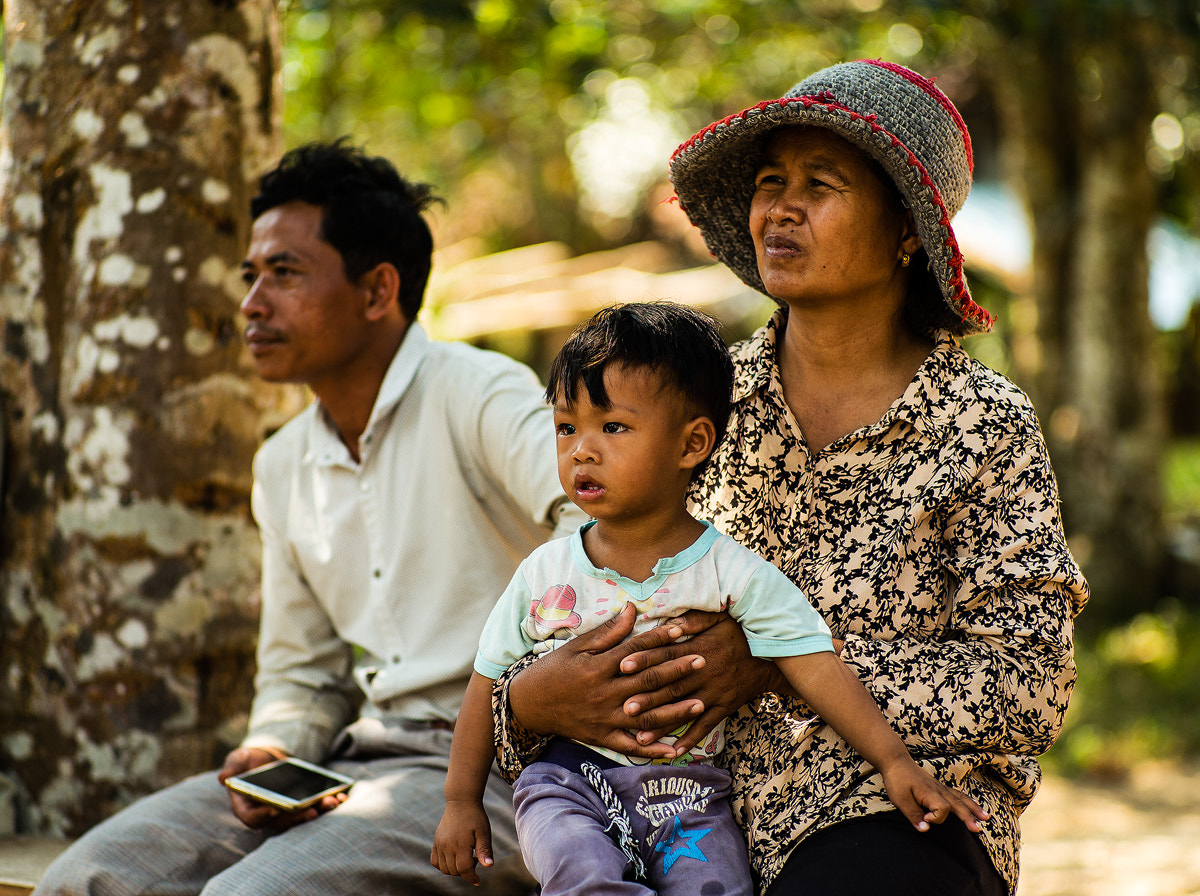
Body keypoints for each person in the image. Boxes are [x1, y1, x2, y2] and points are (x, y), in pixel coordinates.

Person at [490, 60, 1089, 896]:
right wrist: (530, 702)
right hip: (677, 809)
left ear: (906, 229)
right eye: (771, 181)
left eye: (822, 183)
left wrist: (776, 661)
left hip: (890, 810)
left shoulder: (983, 423)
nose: (781, 207)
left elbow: (1028, 682)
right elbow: (577, 591)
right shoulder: (697, 409)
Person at [35, 141, 585, 895]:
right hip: (352, 764)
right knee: (88, 879)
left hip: (507, 773)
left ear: (376, 290)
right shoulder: (283, 465)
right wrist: (273, 746)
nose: (252, 303)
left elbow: (589, 525)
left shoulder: (475, 390)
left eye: (285, 274)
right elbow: (304, 670)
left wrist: (515, 680)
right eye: (251, 275)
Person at [431, 302, 989, 895]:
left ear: (692, 443)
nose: (581, 451)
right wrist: (460, 800)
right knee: (581, 873)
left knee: (717, 887)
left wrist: (894, 761)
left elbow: (815, 666)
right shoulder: (544, 573)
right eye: (567, 427)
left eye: (612, 427)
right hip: (568, 785)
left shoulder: (732, 574)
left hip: (690, 796)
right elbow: (486, 682)